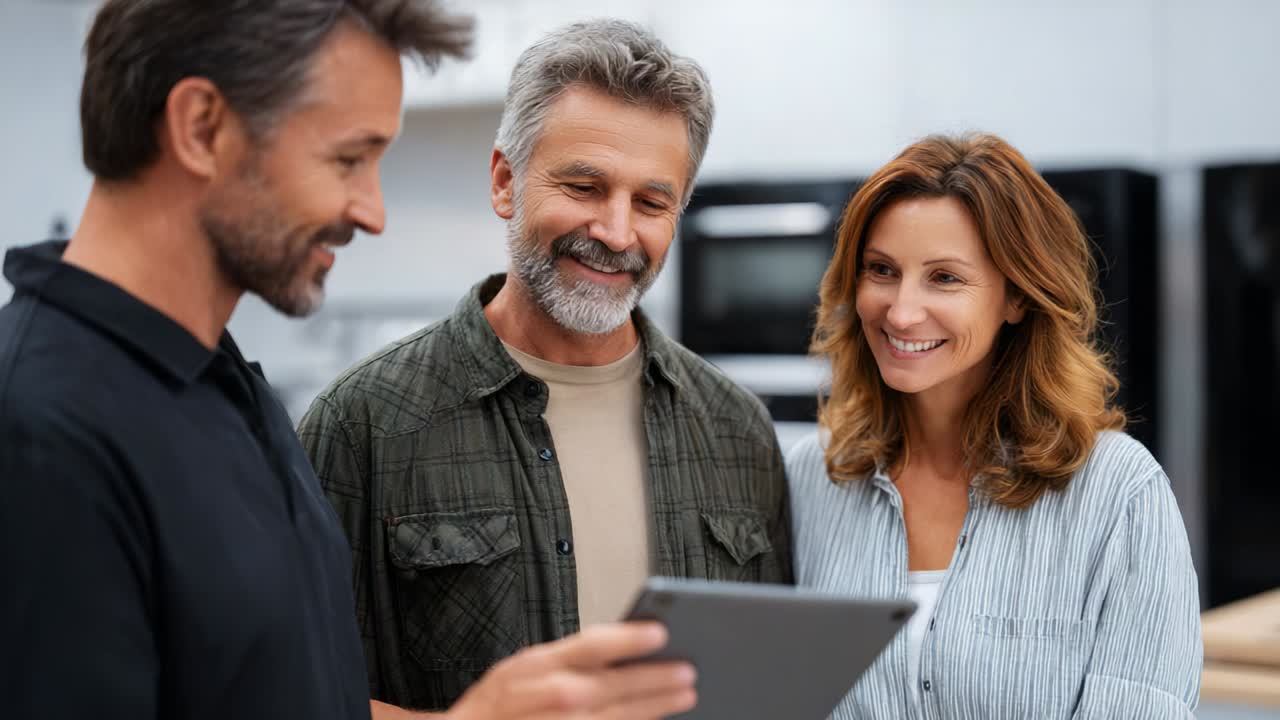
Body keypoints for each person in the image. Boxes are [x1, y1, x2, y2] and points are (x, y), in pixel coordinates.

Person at [0, 2, 697, 719]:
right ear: (202, 127)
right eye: (347, 160)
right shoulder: (40, 432)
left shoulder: (226, 394)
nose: (372, 211)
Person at [297, 18, 793, 714]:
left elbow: (765, 686)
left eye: (651, 202)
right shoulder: (363, 424)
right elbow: (297, 695)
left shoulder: (737, 431)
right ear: (506, 181)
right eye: (585, 187)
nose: (617, 233)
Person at [786, 133, 1202, 718]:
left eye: (945, 278)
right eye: (881, 270)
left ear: (1017, 297)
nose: (901, 311)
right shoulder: (811, 479)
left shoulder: (1117, 493)